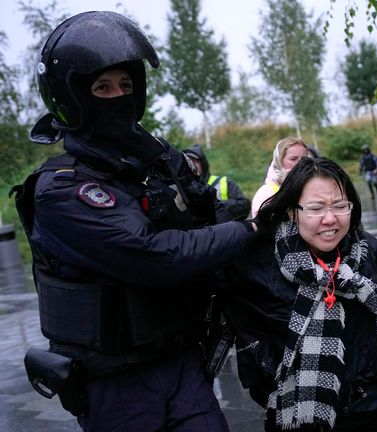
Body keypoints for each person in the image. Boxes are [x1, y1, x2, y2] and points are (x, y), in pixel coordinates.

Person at [13, 11, 255, 431]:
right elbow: (153, 257)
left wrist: (270, 207)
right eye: (103, 87)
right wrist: (250, 229)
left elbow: (206, 214)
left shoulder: (153, 163)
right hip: (116, 381)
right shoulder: (62, 189)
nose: (119, 96)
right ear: (71, 96)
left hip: (181, 360)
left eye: (126, 85)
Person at [221, 157, 377, 431]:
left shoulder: (369, 253)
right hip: (293, 418)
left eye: (340, 206)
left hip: (371, 413)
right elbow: (245, 335)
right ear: (292, 211)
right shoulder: (258, 263)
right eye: (316, 208)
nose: (330, 219)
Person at [184, 143, 251, 221]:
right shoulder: (181, 188)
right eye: (189, 161)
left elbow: (244, 205)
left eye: (195, 161)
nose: (192, 165)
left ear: (203, 163)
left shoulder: (223, 182)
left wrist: (216, 205)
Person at [251, 136, 309, 217]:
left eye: (304, 159)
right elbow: (263, 227)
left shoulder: (311, 187)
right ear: (280, 161)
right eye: (293, 159)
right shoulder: (267, 193)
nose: (300, 163)